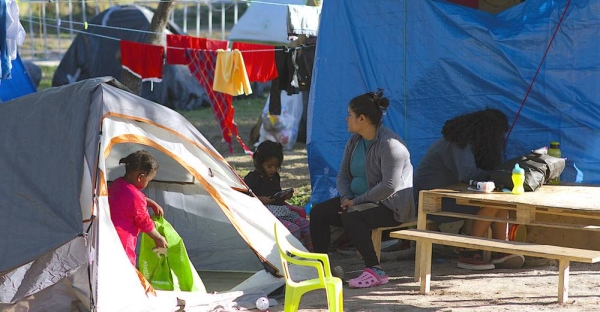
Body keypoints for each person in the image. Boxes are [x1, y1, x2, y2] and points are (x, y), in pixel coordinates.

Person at [309, 90, 415, 288]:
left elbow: (389, 186)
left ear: (362, 118)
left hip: (390, 206)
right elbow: (342, 175)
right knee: (319, 213)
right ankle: (321, 268)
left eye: (350, 114)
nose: (346, 118)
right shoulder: (355, 141)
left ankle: (375, 270)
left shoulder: (391, 145)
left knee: (352, 215)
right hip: (356, 201)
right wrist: (346, 198)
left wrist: (354, 202)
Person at [414, 108, 525, 270]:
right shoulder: (458, 144)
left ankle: (502, 250)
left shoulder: (464, 142)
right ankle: (469, 251)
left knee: (500, 203)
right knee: (492, 204)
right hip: (430, 202)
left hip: (445, 196)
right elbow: (468, 174)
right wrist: (499, 175)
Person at [245, 140, 313, 251]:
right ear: (259, 162)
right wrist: (260, 199)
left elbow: (276, 194)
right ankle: (292, 258)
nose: (273, 169)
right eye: (269, 166)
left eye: (276, 166)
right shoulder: (253, 178)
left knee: (308, 226)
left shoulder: (275, 176)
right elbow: (243, 197)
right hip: (267, 216)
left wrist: (284, 196)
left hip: (284, 211)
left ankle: (310, 255)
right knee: (293, 230)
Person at [108, 150, 168, 267]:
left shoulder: (117, 184)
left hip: (110, 236)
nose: (148, 183)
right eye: (149, 180)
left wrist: (149, 202)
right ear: (141, 177)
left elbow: (127, 200)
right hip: (123, 241)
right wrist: (158, 237)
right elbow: (144, 221)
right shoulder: (135, 196)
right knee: (125, 269)